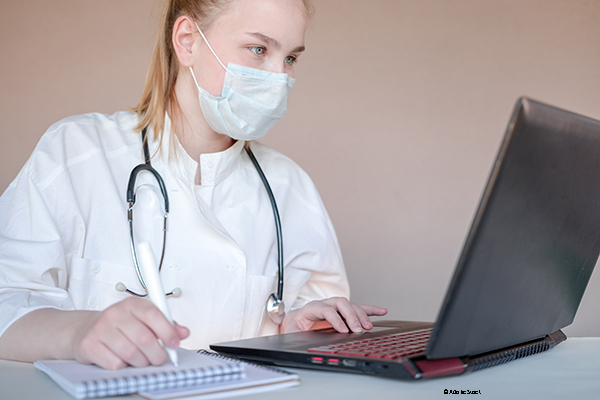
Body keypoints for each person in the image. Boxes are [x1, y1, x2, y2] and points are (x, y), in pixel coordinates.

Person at [0, 0, 387, 370]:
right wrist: (77, 331)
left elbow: (310, 333)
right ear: (187, 40)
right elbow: (6, 298)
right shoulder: (77, 153)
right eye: (257, 49)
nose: (278, 77)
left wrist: (295, 326)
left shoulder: (289, 187)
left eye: (289, 58)